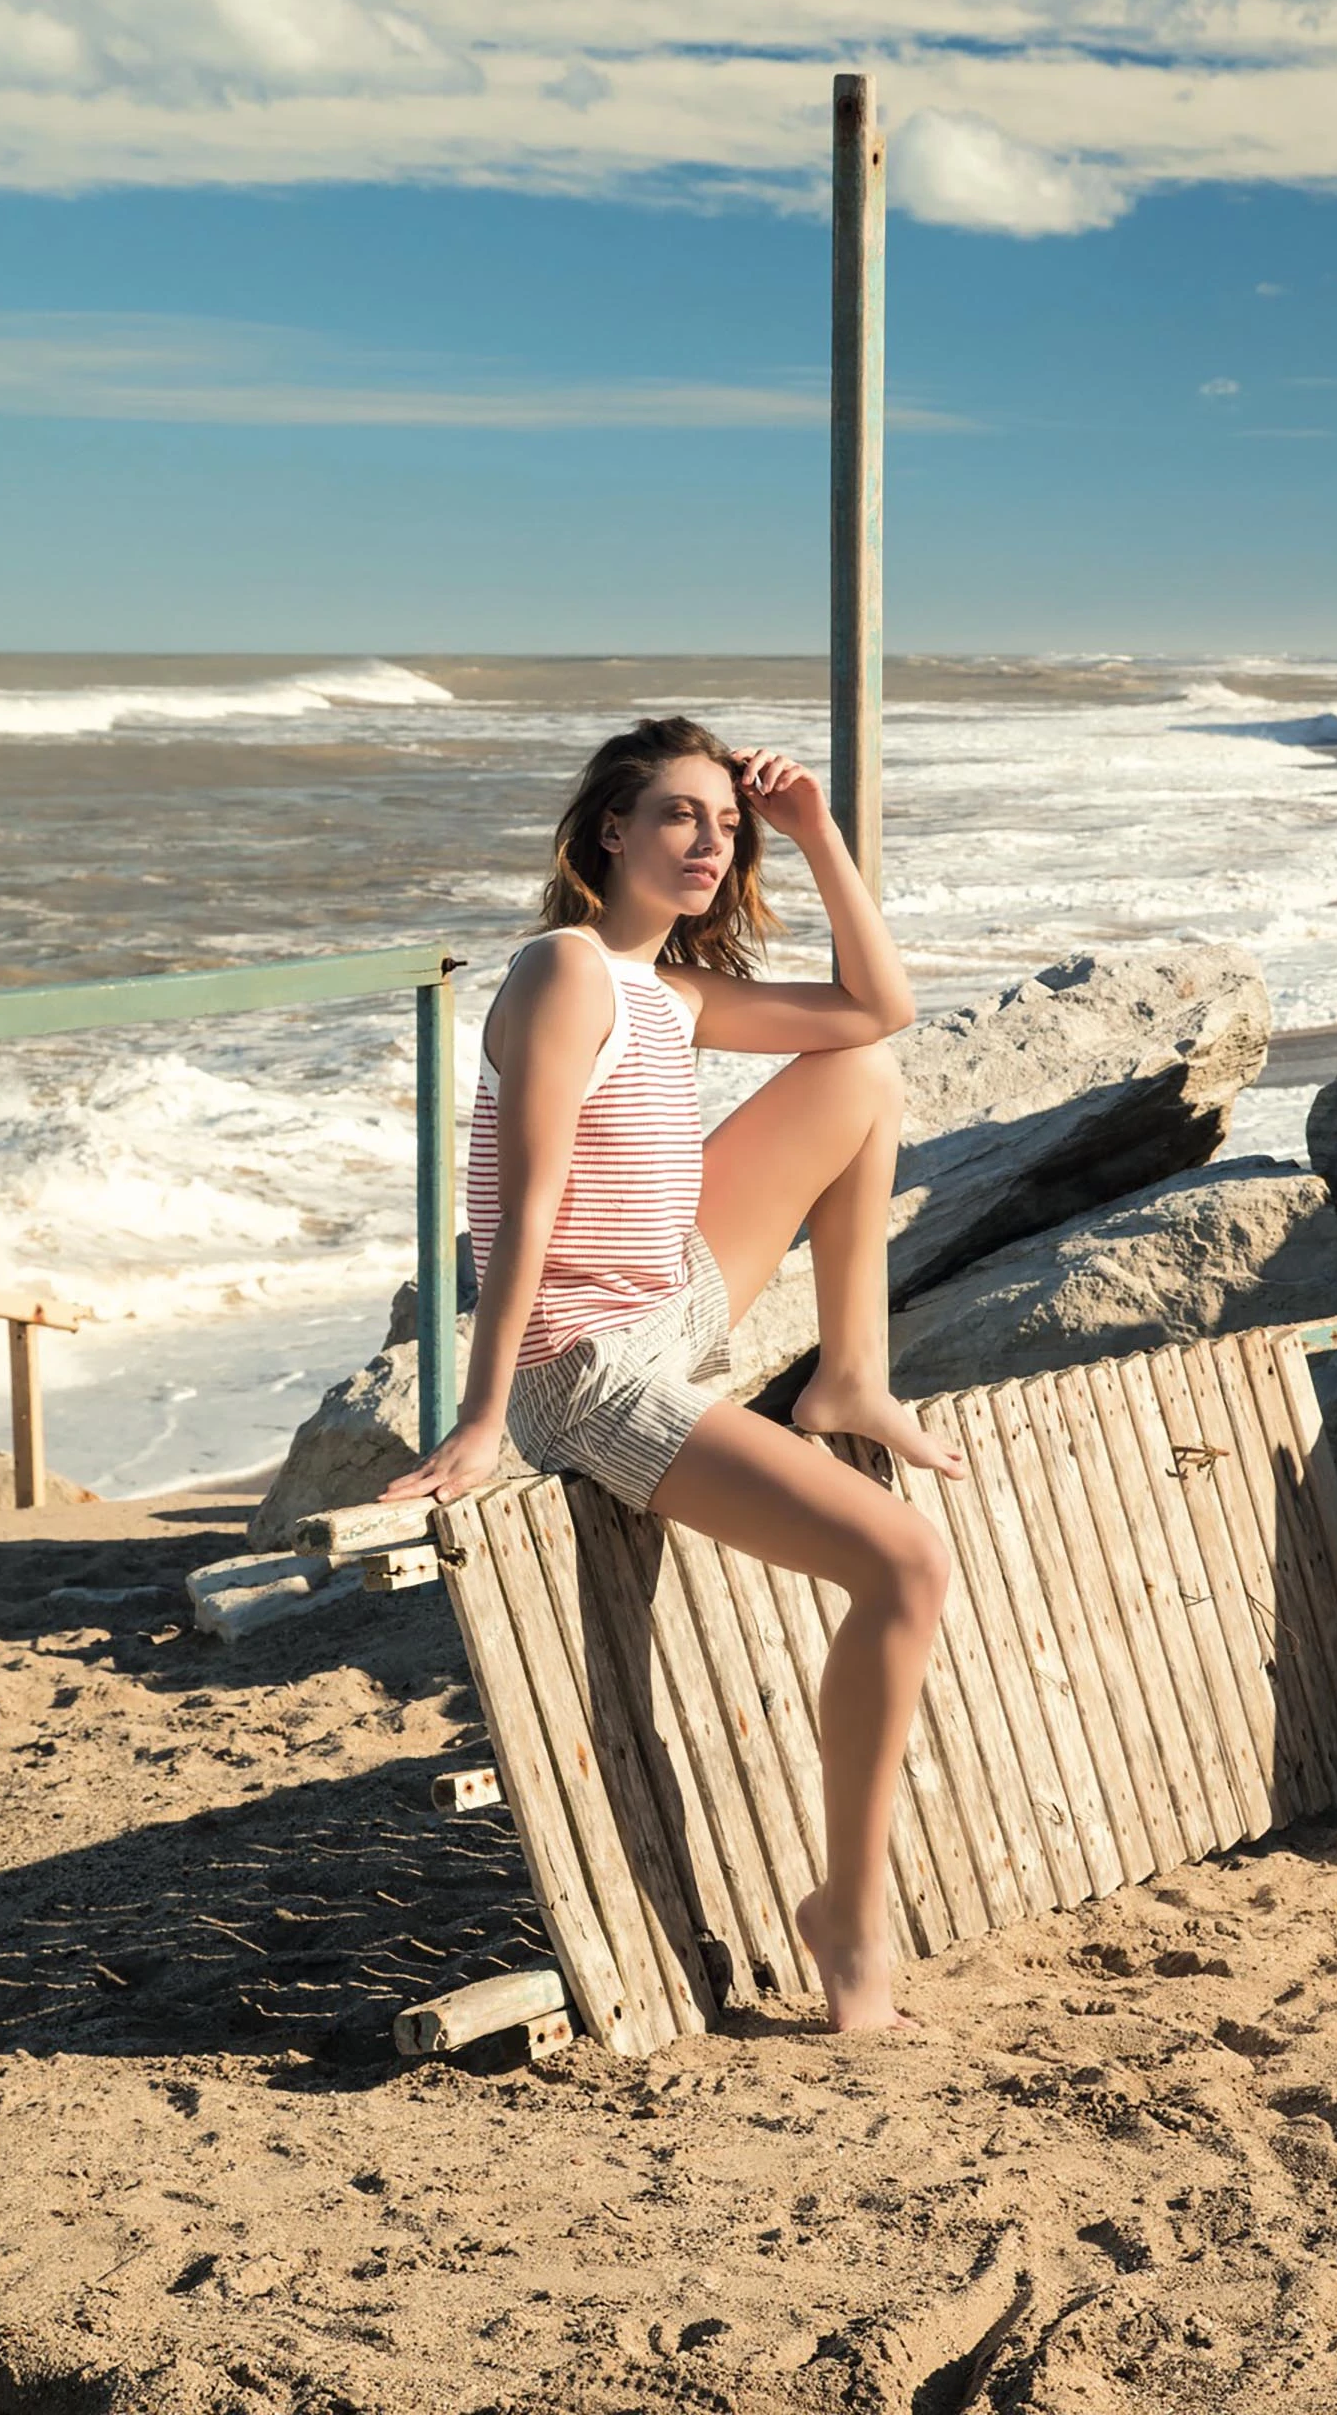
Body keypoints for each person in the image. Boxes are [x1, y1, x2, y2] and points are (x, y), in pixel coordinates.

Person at [382, 715, 961, 2033]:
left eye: (725, 824)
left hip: (675, 1304)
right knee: (907, 1563)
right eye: (679, 817)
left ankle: (849, 1376)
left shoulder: (672, 993)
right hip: (584, 1367)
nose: (710, 842)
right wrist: (483, 1418)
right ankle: (848, 1920)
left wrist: (815, 832)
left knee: (862, 1071)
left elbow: (882, 1006)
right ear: (611, 834)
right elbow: (518, 1209)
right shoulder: (563, 971)